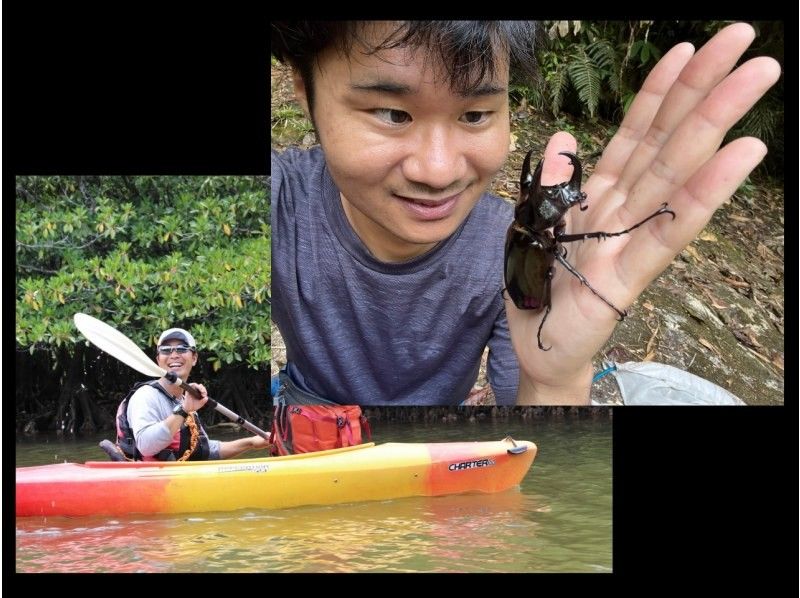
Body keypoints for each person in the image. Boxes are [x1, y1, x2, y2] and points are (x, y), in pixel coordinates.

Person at [270, 21, 780, 405]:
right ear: (302, 86)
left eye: (475, 115)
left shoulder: (500, 241)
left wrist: (554, 379)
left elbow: (540, 464)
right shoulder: (278, 201)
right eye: (391, 113)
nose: (439, 170)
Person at [118, 327, 271, 460]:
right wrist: (183, 410)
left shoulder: (186, 400)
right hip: (151, 483)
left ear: (194, 358)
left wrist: (251, 443)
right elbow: (146, 446)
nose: (174, 355)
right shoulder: (146, 396)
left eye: (182, 349)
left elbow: (202, 450)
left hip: (179, 480)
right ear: (158, 360)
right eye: (166, 350)